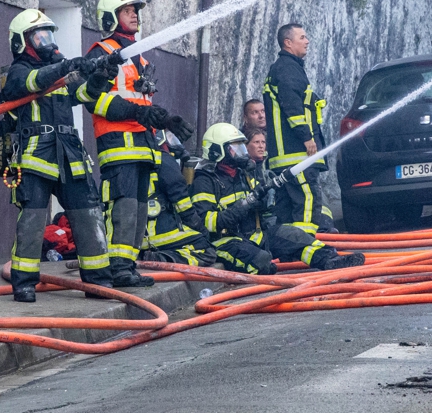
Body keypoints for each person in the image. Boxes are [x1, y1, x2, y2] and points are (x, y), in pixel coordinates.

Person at [1, 8, 114, 302]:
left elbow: (86, 95)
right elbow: (30, 83)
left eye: (49, 34)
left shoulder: (62, 70)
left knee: (89, 215)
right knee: (33, 221)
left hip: (70, 154)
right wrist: (66, 67)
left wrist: (101, 76)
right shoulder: (17, 71)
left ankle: (99, 281)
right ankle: (24, 283)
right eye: (40, 35)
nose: (47, 41)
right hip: (36, 156)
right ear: (22, 42)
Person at [84, 0, 195, 287]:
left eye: (136, 9)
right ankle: (117, 268)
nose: (134, 14)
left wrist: (165, 119)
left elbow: (141, 103)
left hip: (144, 145)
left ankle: (128, 264)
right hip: (118, 145)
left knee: (140, 207)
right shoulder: (102, 53)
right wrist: (141, 114)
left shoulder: (136, 56)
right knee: (123, 207)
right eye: (126, 10)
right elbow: (95, 101)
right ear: (111, 17)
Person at [190, 123, 363, 274]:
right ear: (218, 151)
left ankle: (330, 261)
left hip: (256, 235)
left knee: (295, 236)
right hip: (226, 242)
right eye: (235, 148)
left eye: (241, 147)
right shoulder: (204, 181)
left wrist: (265, 199)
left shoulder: (244, 174)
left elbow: (262, 209)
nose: (241, 152)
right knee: (263, 263)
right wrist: (244, 205)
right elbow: (208, 222)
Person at [262, 23, 336, 235]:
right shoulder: (287, 68)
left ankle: (287, 250)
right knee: (307, 200)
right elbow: (293, 106)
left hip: (285, 156)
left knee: (286, 208)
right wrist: (307, 137)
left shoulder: (284, 68)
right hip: (297, 154)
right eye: (302, 37)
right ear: (288, 42)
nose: (307, 41)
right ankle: (307, 246)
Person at [139, 131, 217, 267]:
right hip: (158, 233)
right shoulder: (165, 160)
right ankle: (158, 258)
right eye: (170, 138)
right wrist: (199, 227)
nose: (175, 143)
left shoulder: (142, 161)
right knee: (205, 249)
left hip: (140, 236)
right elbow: (182, 202)